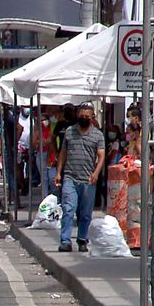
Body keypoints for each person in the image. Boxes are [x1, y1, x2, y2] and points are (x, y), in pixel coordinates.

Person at [55, 102, 105, 252]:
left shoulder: (98, 135)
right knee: (68, 209)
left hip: (88, 179)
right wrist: (58, 172)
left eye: (87, 116)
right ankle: (65, 240)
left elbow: (101, 156)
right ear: (78, 116)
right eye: (81, 116)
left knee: (85, 213)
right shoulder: (70, 132)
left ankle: (82, 239)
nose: (84, 118)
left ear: (92, 117)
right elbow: (63, 153)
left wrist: (96, 173)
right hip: (70, 177)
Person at [32, 113, 57, 198]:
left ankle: (54, 196)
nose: (43, 122)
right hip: (41, 154)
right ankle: (45, 197)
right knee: (44, 178)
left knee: (52, 177)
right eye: (41, 120)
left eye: (44, 119)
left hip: (51, 155)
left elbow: (49, 141)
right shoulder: (37, 130)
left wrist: (43, 141)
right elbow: (34, 142)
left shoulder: (52, 128)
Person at [2, 106, 23, 201]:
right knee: (10, 174)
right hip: (9, 147)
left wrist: (15, 141)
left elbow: (20, 128)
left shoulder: (9, 117)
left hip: (10, 148)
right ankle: (12, 197)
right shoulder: (8, 117)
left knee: (12, 174)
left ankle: (14, 197)